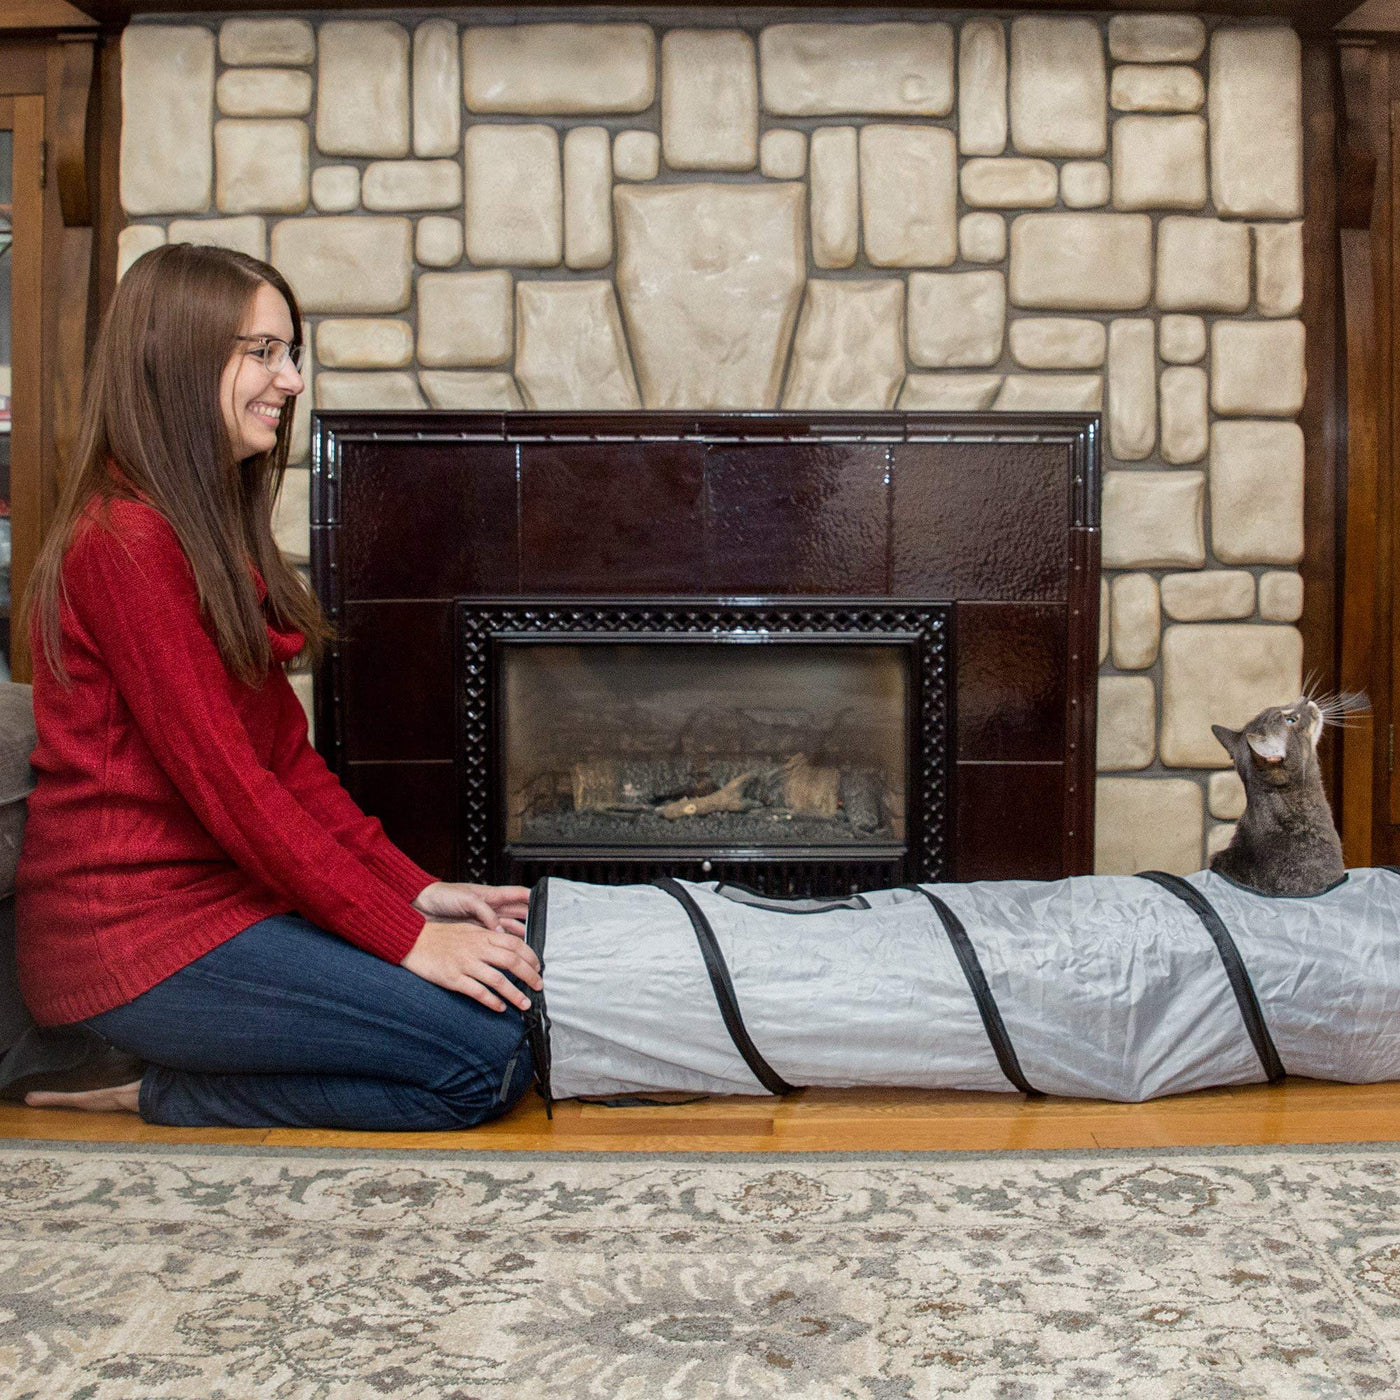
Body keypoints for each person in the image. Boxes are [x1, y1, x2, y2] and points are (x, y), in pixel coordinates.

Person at [13, 243, 543, 1131]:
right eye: (262, 352)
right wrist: (405, 937)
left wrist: (413, 890)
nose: (291, 380)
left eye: (288, 353)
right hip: (130, 939)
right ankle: (154, 1089)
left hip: (221, 907)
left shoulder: (201, 529)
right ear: (178, 360)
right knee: (485, 1060)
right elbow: (234, 791)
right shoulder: (123, 543)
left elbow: (285, 764)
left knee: (516, 1018)